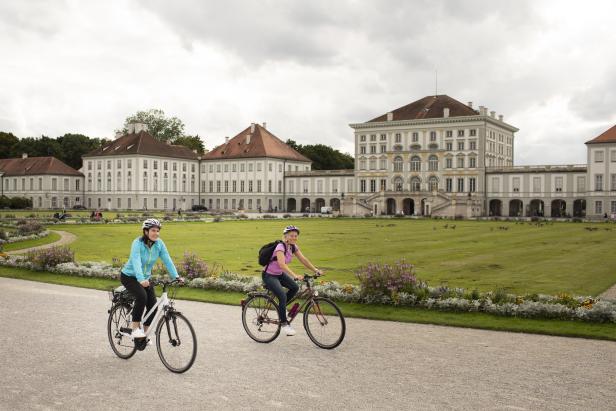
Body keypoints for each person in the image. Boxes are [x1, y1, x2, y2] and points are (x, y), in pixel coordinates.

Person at [120, 218, 184, 340]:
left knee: (153, 305)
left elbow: (167, 259)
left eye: (158, 231)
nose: (156, 233)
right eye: (153, 230)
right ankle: (134, 329)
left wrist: (176, 276)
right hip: (129, 276)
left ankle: (143, 335)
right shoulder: (137, 243)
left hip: (145, 278)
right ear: (146, 231)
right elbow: (136, 261)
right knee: (141, 297)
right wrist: (140, 279)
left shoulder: (159, 244)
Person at [262, 225, 323, 336]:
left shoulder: (293, 247)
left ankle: (282, 308)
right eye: (291, 235)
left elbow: (303, 259)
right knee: (282, 296)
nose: (294, 237)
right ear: (286, 236)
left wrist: (315, 270)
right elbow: (281, 264)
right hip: (269, 275)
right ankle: (284, 324)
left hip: (279, 274)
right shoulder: (280, 246)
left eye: (296, 236)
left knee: (294, 287)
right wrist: (294, 275)